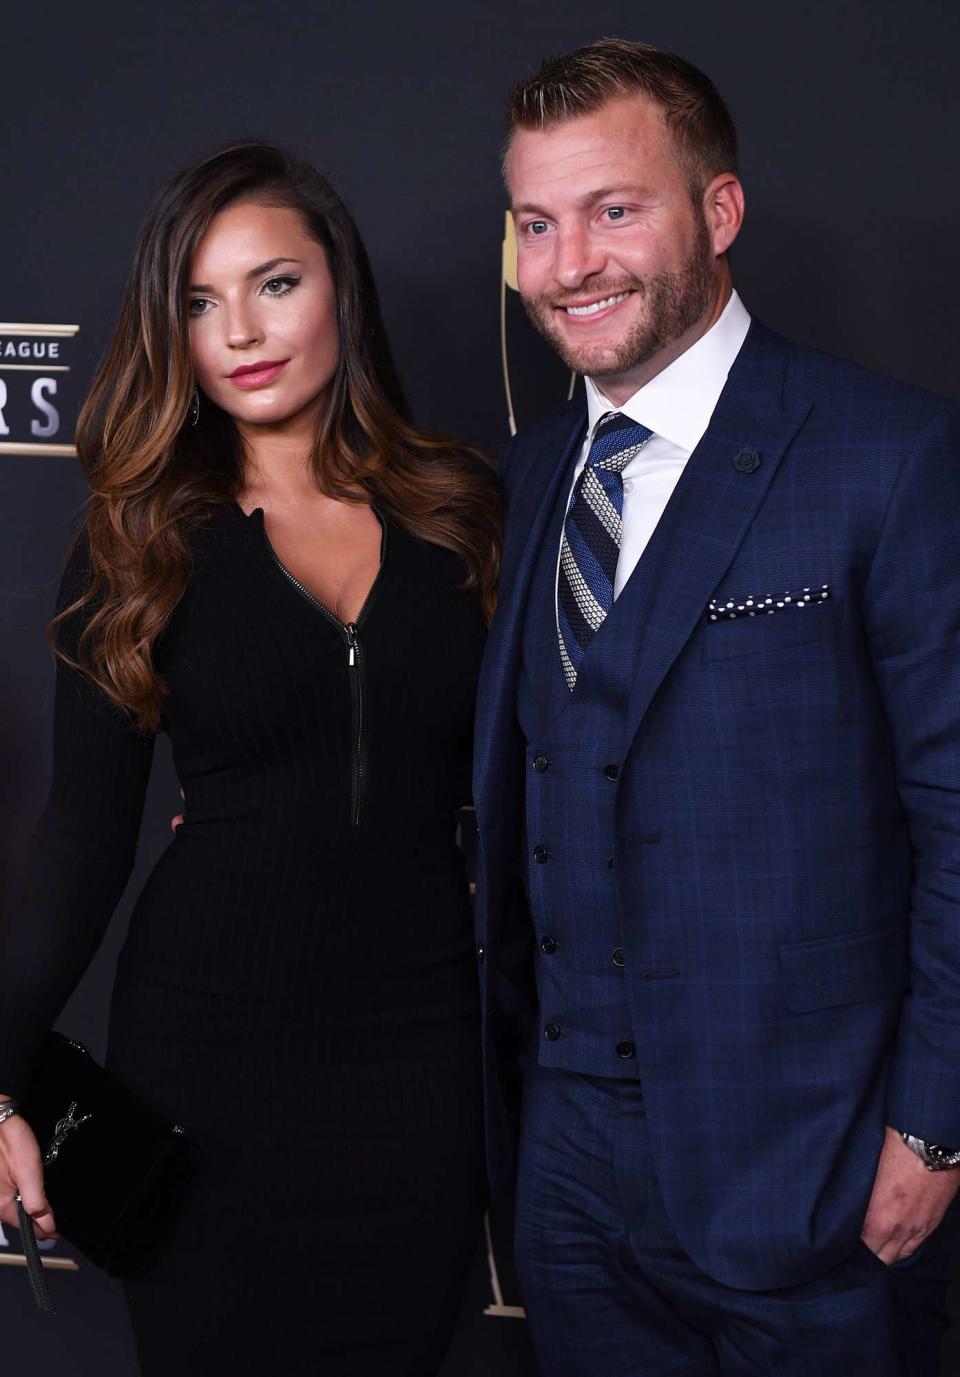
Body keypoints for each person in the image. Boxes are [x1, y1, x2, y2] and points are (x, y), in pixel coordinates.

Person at [473, 37, 960, 1377]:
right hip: (567, 1175)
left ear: (719, 212)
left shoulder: (886, 454)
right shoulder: (530, 476)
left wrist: (935, 1126)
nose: (573, 263)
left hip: (816, 1166)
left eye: (615, 209)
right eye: (537, 223)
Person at [0, 141, 499, 1376]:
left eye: (274, 283)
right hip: (203, 1080)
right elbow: (79, 845)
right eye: (199, 300)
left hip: (420, 1072)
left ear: (341, 288)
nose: (239, 330)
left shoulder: (466, 516)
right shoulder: (137, 544)